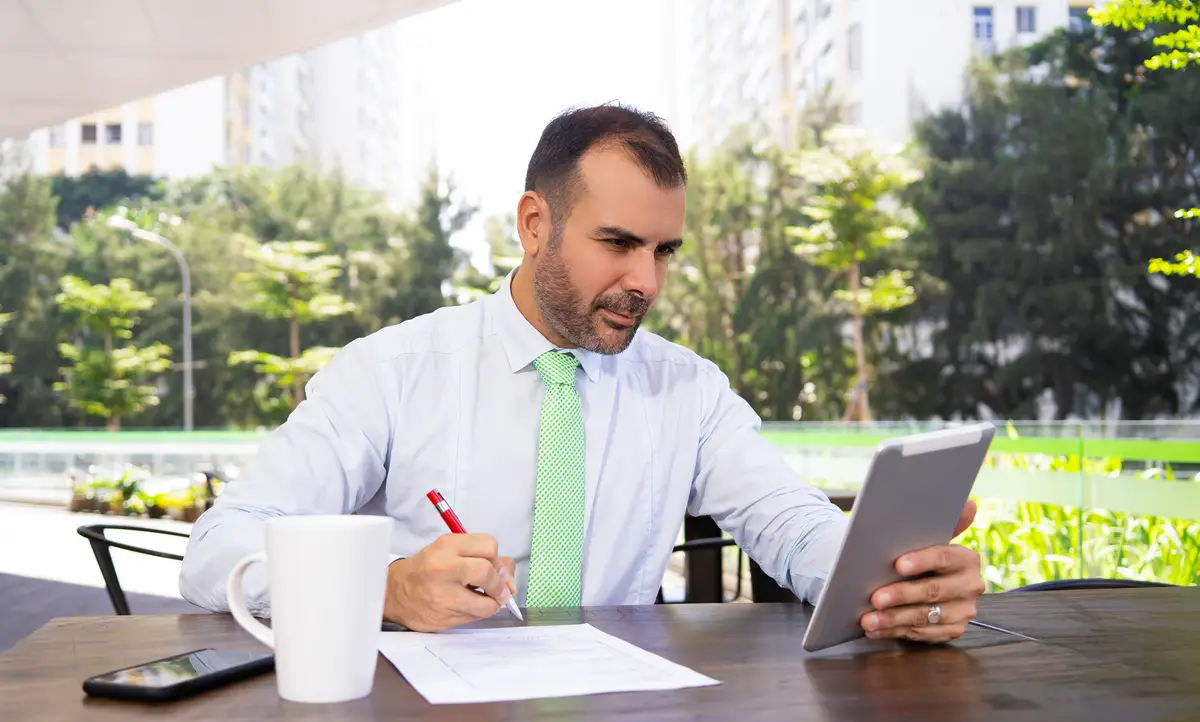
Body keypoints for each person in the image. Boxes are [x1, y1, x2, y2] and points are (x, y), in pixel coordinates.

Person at [180, 104, 985, 640]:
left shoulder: (688, 390)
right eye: (618, 243)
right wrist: (383, 590)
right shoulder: (393, 372)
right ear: (535, 224)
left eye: (664, 251)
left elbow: (786, 519)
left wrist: (886, 580)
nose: (648, 281)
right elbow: (217, 547)